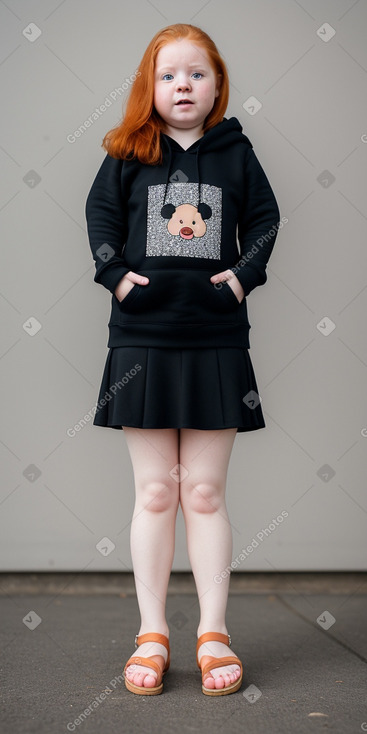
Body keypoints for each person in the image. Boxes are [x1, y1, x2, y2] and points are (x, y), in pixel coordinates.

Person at [85, 22, 280, 697]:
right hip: (141, 340)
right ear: (149, 87)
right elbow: (100, 219)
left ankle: (212, 631)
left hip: (213, 341)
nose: (182, 85)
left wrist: (241, 277)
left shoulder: (235, 154)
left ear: (217, 83)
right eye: (168, 75)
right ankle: (151, 631)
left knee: (201, 492)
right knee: (155, 491)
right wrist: (114, 276)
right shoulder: (125, 153)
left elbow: (265, 220)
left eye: (196, 74)